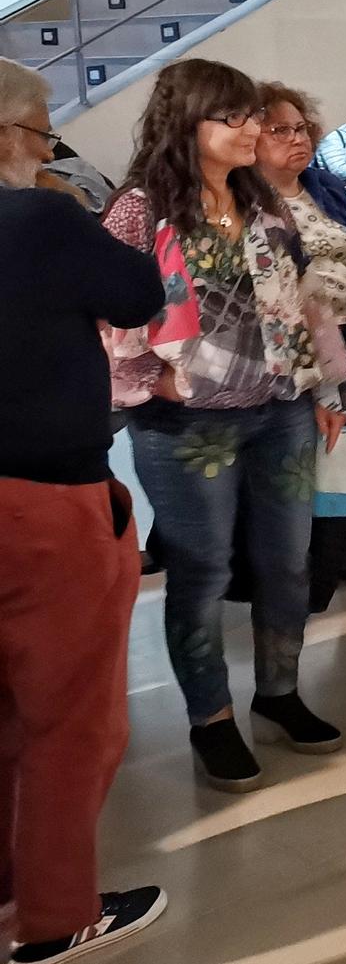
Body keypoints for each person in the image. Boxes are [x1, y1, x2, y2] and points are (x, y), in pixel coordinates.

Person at [104, 60, 346, 791]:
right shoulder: (140, 210)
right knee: (203, 570)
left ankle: (278, 692)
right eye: (236, 117)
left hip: (279, 410)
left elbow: (303, 301)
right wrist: (153, 378)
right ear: (189, 123)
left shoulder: (263, 201)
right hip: (186, 426)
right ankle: (210, 717)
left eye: (255, 116)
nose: (253, 130)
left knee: (288, 561)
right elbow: (106, 319)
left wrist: (323, 387)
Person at [0, 59, 169, 962]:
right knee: (69, 718)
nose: (47, 151)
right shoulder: (37, 214)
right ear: (9, 137)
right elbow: (136, 292)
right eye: (43, 136)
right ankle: (57, 915)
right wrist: (78, 206)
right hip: (42, 501)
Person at [258, 83, 346, 608]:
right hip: (290, 345)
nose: (297, 139)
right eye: (280, 130)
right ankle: (299, 565)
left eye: (301, 128)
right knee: (302, 455)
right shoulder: (246, 198)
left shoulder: (323, 185)